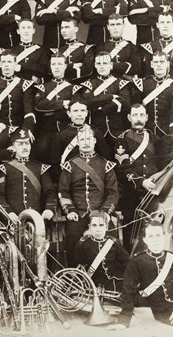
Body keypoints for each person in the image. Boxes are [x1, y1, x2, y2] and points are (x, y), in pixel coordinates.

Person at [58, 125, 118, 267]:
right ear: (78, 142)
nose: (85, 142)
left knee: (111, 243)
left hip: (101, 212)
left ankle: (108, 275)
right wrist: (70, 210)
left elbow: (113, 193)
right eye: (82, 139)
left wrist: (105, 212)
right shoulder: (69, 165)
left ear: (95, 141)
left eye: (88, 139)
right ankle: (74, 275)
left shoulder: (106, 165)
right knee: (72, 238)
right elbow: (63, 191)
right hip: (78, 213)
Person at [114, 104, 160, 251]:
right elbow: (122, 169)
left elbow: (166, 161)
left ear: (146, 117)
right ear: (129, 117)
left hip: (153, 192)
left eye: (141, 115)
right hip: (131, 194)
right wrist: (141, 182)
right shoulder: (122, 140)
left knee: (154, 229)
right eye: (135, 115)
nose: (138, 119)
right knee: (131, 233)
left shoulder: (154, 138)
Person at [0, 129, 56, 221]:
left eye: (27, 143)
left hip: (36, 219)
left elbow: (50, 192)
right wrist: (8, 212)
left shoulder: (41, 167)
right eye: (20, 144)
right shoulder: (4, 169)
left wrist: (49, 209)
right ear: (13, 148)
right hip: (12, 218)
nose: (24, 147)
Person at [33, 53, 84, 162]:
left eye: (60, 64)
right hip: (48, 129)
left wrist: (50, 109)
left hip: (67, 128)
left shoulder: (74, 88)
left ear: (65, 66)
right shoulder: (43, 87)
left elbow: (74, 105)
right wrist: (62, 104)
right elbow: (39, 105)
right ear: (50, 66)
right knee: (41, 150)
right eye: (53, 64)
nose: (56, 67)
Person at [139, 12, 173, 113]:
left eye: (168, 22)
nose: (165, 25)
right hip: (154, 94)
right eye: (162, 22)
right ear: (157, 25)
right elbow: (146, 74)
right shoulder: (150, 47)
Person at [81, 52, 131, 149]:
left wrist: (101, 107)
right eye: (99, 64)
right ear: (95, 65)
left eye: (105, 63)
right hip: (96, 129)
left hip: (116, 129)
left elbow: (125, 103)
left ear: (111, 65)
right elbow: (88, 102)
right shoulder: (89, 84)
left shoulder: (121, 83)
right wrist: (111, 96)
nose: (102, 67)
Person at [131, 52, 173, 138]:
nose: (158, 65)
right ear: (151, 64)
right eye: (155, 62)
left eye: (162, 62)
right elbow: (135, 109)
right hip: (145, 132)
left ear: (167, 64)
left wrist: (172, 136)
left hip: (166, 132)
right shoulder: (142, 84)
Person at [75, 211, 129, 296]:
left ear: (106, 227)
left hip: (113, 284)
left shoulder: (114, 243)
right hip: (91, 285)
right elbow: (76, 265)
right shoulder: (83, 243)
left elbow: (126, 263)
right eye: (94, 225)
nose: (98, 229)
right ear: (89, 227)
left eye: (101, 225)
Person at [0, 51, 36, 134]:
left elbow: (29, 111)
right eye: (3, 62)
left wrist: (26, 130)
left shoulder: (24, 84)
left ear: (15, 64)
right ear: (0, 64)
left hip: (19, 129)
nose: (6, 65)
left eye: (9, 62)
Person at [96, 13, 140, 80]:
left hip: (126, 86)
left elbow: (136, 68)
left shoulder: (131, 47)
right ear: (108, 27)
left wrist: (112, 65)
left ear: (123, 25)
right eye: (112, 25)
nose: (115, 28)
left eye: (118, 24)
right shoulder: (101, 47)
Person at [51, 16, 95, 82]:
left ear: (76, 29)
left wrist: (63, 68)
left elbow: (87, 70)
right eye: (62, 28)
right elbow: (51, 70)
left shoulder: (86, 48)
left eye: (67, 27)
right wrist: (73, 66)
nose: (63, 31)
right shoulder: (58, 50)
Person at [11, 19, 49, 83]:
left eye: (29, 28)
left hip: (34, 87)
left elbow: (43, 70)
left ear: (33, 30)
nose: (26, 31)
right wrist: (30, 77)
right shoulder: (12, 50)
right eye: (23, 28)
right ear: (18, 31)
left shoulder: (40, 50)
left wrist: (22, 67)